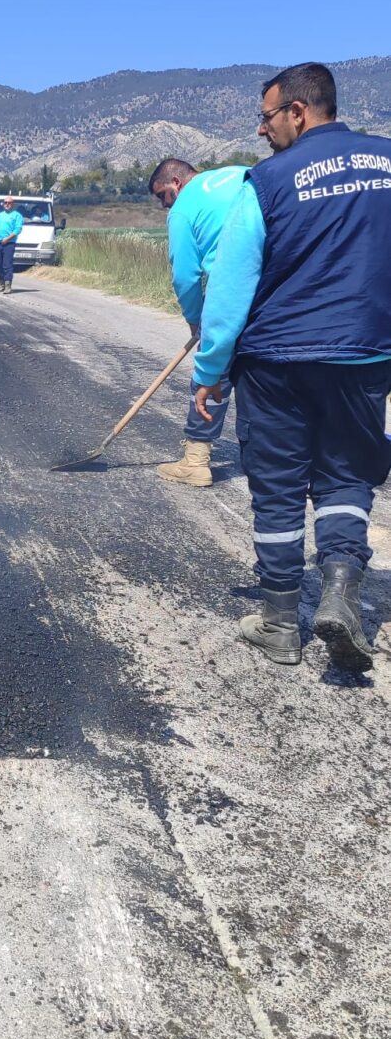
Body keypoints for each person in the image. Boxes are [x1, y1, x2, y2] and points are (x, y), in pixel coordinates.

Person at [193, 62, 391, 671]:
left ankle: (280, 625)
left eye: (267, 116)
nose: (262, 131)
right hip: (362, 354)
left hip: (277, 360)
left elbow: (231, 284)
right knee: (345, 476)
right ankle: (339, 593)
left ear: (298, 112)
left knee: (278, 486)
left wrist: (210, 369)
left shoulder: (269, 179)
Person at [148, 158, 248, 486]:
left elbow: (185, 276)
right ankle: (276, 463)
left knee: (211, 372)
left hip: (231, 290)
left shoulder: (183, 209)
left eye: (163, 195)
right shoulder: (239, 173)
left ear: (175, 181)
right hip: (278, 291)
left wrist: (195, 319)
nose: (164, 205)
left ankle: (196, 460)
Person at [0, 197, 23, 294]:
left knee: (7, 265)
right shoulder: (0, 215)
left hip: (9, 243)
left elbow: (17, 230)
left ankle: (8, 285)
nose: (7, 204)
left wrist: (8, 238)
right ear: (3, 204)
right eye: (5, 202)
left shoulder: (17, 215)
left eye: (9, 203)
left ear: (13, 204)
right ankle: (1, 284)